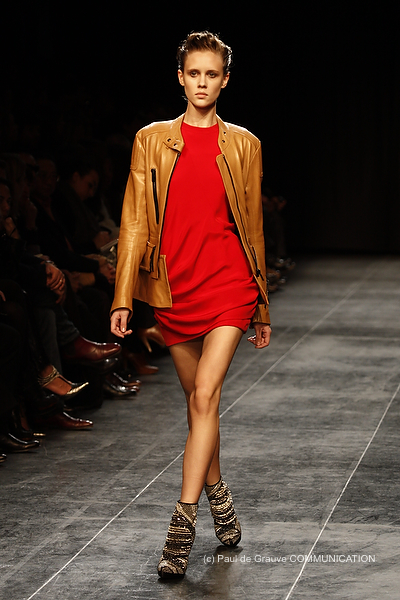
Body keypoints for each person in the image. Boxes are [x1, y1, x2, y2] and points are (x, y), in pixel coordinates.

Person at [110, 31, 271, 578]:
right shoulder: (150, 139)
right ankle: (219, 494)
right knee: (199, 404)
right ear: (180, 78)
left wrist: (261, 305)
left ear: (225, 80)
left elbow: (254, 227)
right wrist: (123, 295)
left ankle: (181, 526)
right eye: (194, 73)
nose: (203, 83)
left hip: (229, 284)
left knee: (205, 395)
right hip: (173, 289)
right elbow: (134, 220)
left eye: (212, 74)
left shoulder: (244, 145)